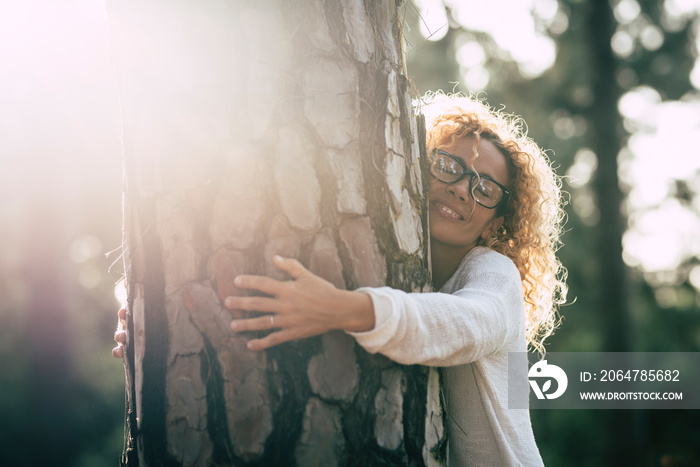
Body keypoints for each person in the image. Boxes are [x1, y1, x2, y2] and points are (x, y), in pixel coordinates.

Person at [114, 92, 567, 466]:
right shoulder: (413, 269)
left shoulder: (493, 273)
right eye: (448, 166)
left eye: (485, 189)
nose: (462, 189)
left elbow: (468, 324)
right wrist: (158, 333)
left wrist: (339, 308)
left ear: (495, 223)